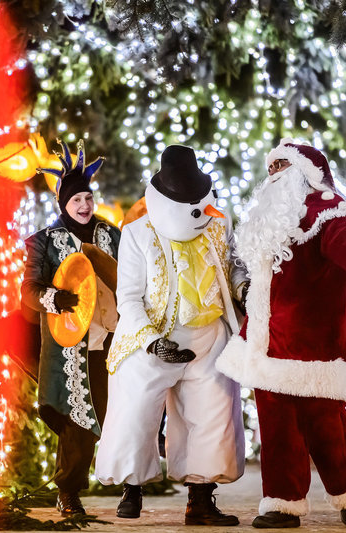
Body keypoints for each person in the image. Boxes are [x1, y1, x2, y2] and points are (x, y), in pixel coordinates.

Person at [216, 139, 346, 528]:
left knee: (324, 426)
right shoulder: (268, 220)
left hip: (312, 348)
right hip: (266, 344)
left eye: (282, 167)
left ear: (305, 173)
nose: (273, 175)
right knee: (276, 429)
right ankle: (282, 504)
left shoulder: (328, 211)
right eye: (271, 168)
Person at [95, 145, 248, 526]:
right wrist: (151, 340)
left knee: (212, 414)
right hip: (153, 336)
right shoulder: (136, 233)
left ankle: (200, 499)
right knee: (135, 412)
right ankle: (132, 489)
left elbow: (233, 269)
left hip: (209, 336)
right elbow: (128, 297)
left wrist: (245, 289)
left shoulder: (218, 224)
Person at [20, 140, 120, 517]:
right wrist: (53, 298)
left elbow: (133, 277)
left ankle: (130, 488)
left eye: (88, 198)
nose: (83, 206)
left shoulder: (111, 236)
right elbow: (28, 289)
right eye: (76, 199)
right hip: (69, 345)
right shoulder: (44, 242)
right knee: (79, 418)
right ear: (64, 203)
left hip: (111, 340)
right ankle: (69, 490)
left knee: (117, 414)